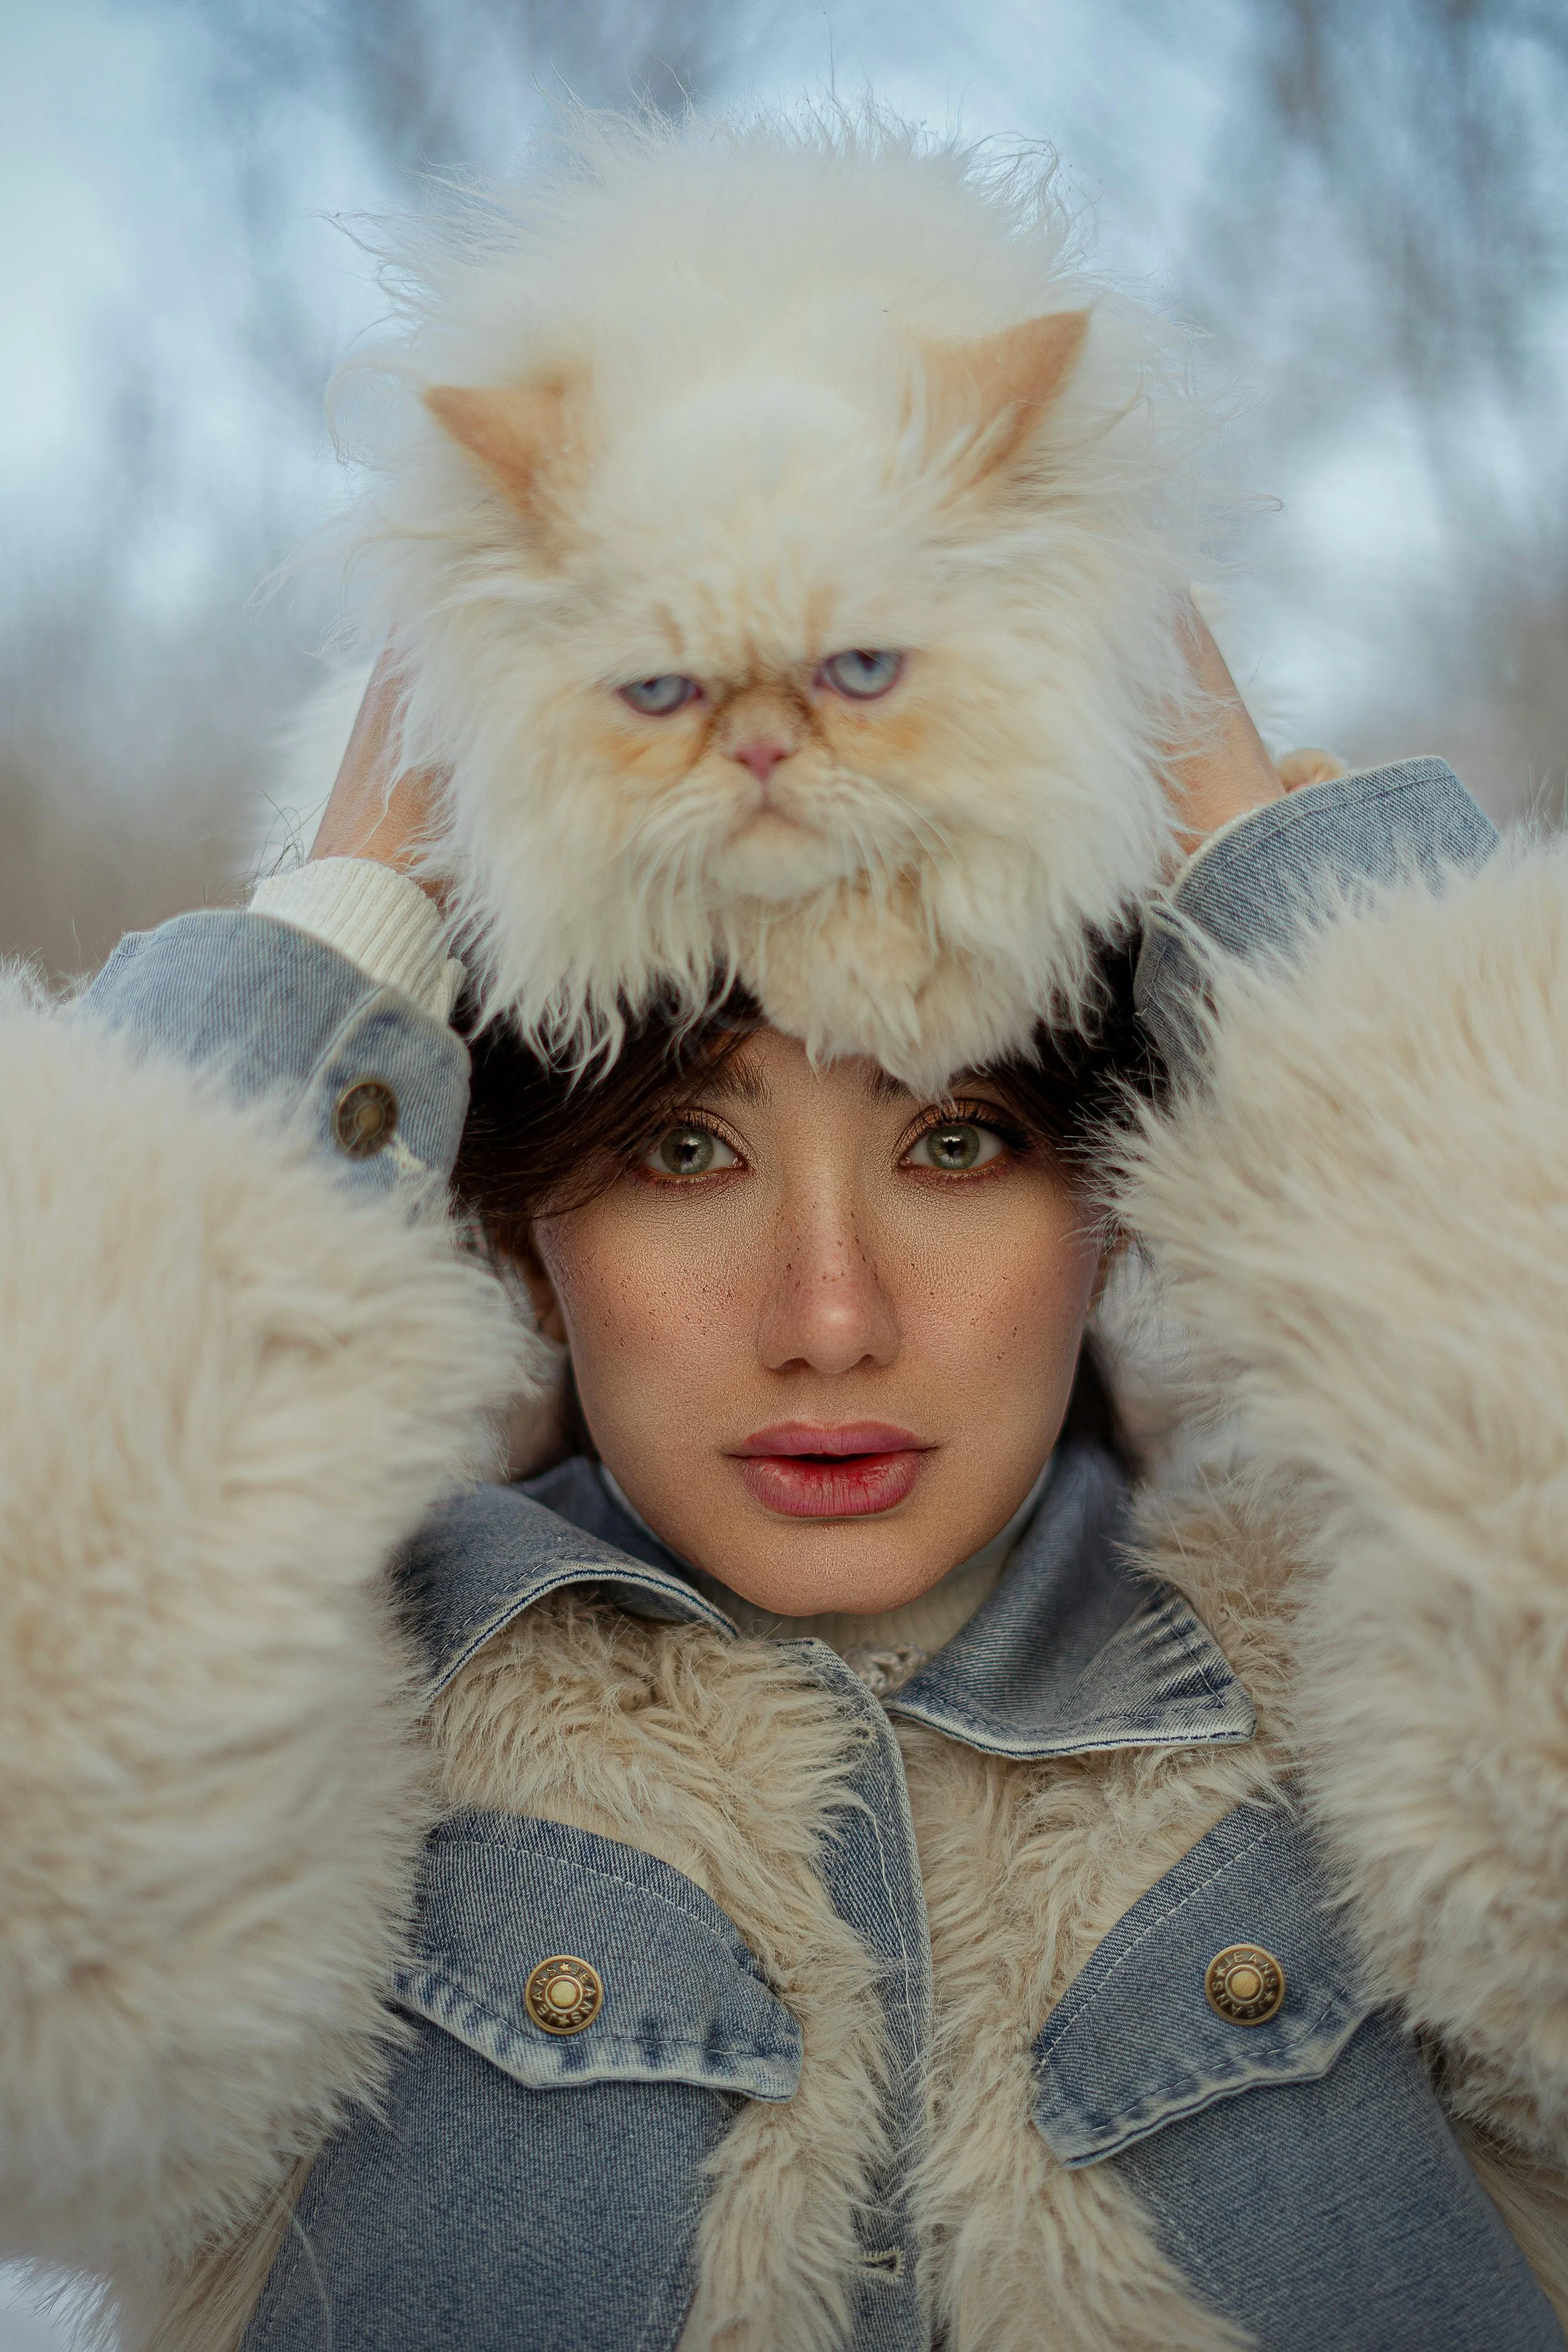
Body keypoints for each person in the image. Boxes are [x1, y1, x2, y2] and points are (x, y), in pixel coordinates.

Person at [3, 618, 1566, 2352]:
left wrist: (1275, 873)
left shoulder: (1376, 1693)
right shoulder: (306, 1723)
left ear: (1117, 1194)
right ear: (529, 1230)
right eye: (685, 1150)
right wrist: (341, 925)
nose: (829, 1315)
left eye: (957, 1140)